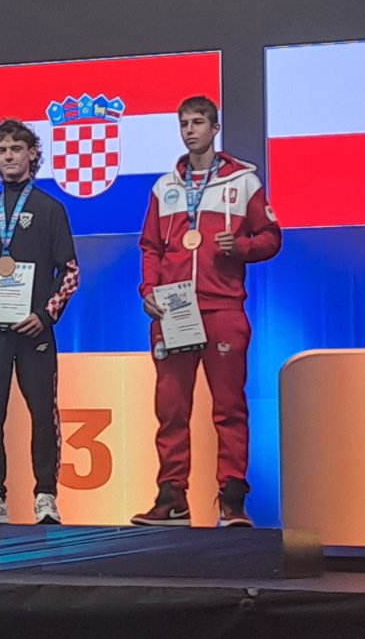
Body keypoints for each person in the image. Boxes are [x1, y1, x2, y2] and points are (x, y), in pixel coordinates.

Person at [132, 96, 280, 528]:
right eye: (184, 124)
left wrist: (243, 246)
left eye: (198, 123)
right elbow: (150, 247)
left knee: (229, 407)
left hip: (222, 307)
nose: (190, 131)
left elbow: (271, 237)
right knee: (171, 408)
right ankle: (171, 497)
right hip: (175, 309)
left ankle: (232, 500)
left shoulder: (243, 182)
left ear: (215, 129)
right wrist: (148, 290)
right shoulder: (164, 187)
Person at [0, 119, 79, 525]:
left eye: (16, 149)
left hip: (33, 330)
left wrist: (44, 316)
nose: (8, 156)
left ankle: (46, 496)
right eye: (2, 151)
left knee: (42, 412)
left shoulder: (49, 209)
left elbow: (71, 272)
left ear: (32, 154)